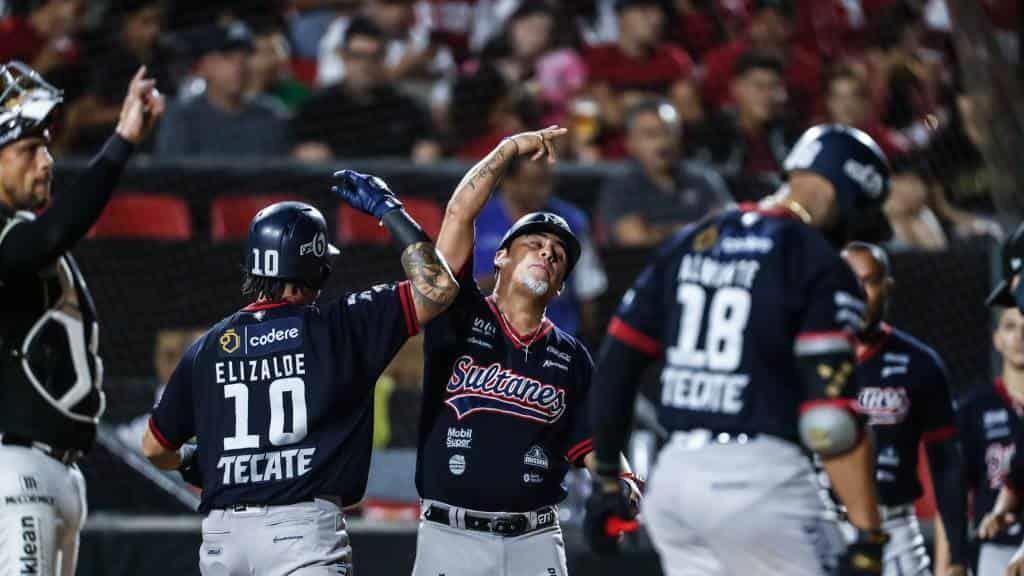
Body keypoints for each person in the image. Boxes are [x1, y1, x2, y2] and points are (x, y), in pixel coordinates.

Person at [586, 124, 893, 575]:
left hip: (675, 484)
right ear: (848, 195)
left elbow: (616, 367)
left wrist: (609, 479)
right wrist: (868, 535)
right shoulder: (815, 259)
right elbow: (831, 420)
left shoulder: (692, 239)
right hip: (763, 482)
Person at [141, 178, 459, 574]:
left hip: (224, 538)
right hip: (301, 534)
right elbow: (439, 287)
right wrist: (388, 209)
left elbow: (154, 447)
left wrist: (190, 457)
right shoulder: (342, 325)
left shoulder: (208, 346)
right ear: (319, 268)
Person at [411, 125, 640, 576]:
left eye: (559, 254)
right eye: (534, 244)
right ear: (500, 256)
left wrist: (624, 481)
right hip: (450, 537)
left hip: (536, 540)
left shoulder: (571, 356)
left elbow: (593, 439)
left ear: (559, 286)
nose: (549, 253)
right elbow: (458, 215)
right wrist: (506, 150)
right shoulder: (457, 314)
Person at [0, 62, 164, 575]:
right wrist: (120, 142)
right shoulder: (15, 236)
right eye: (28, 151)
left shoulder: (25, 233)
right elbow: (56, 232)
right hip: (16, 466)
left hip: (61, 472)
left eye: (47, 147)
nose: (46, 162)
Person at [840, 242, 967, 576]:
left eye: (868, 282)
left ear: (887, 287)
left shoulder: (919, 363)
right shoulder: (803, 355)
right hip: (821, 524)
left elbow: (947, 466)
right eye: (849, 282)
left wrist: (955, 557)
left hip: (892, 528)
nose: (859, 294)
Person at [472, 154, 607, 338]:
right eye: (533, 182)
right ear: (507, 181)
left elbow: (588, 291)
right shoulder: (476, 220)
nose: (543, 191)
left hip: (555, 338)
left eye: (547, 182)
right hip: (488, 337)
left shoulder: (572, 222)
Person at [292, 16, 440, 162]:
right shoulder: (315, 109)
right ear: (342, 56)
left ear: (384, 58)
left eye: (374, 57)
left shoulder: (408, 109)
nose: (365, 65)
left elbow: (427, 153)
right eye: (357, 56)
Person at [599, 99, 732, 247]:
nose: (663, 143)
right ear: (630, 143)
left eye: (668, 132)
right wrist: (697, 230)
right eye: (651, 135)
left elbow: (728, 230)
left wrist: (658, 231)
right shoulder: (621, 186)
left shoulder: (703, 179)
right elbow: (634, 239)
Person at [155, 22, 290, 158]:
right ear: (203, 66)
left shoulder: (271, 115)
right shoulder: (183, 118)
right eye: (227, 58)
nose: (239, 66)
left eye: (244, 58)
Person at [956, 306, 1024, 576]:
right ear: (996, 338)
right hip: (996, 547)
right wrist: (951, 559)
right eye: (1010, 327)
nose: (1021, 336)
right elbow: (954, 490)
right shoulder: (974, 408)